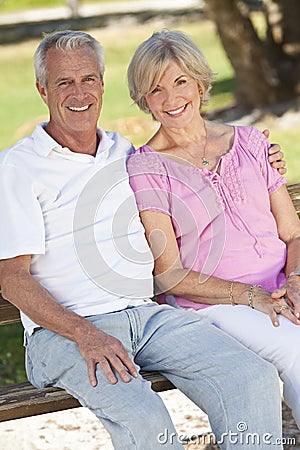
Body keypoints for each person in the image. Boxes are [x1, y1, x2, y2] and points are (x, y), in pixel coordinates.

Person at [0, 30, 285, 450]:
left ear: (102, 81)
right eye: (64, 82)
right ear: (43, 90)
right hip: (66, 333)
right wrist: (85, 334)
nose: (79, 93)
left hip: (147, 319)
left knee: (252, 378)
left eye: (88, 79)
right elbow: (12, 278)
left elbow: (199, 167)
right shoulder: (19, 167)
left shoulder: (125, 152)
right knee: (148, 421)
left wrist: (263, 156)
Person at [126, 29, 300, 430]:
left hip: (280, 289)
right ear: (144, 100)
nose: (171, 99)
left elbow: (293, 234)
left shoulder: (252, 143)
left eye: (180, 81)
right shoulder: (148, 167)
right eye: (155, 89)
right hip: (214, 305)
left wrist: (295, 281)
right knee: (296, 348)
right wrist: (251, 295)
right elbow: (169, 274)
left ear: (201, 83)